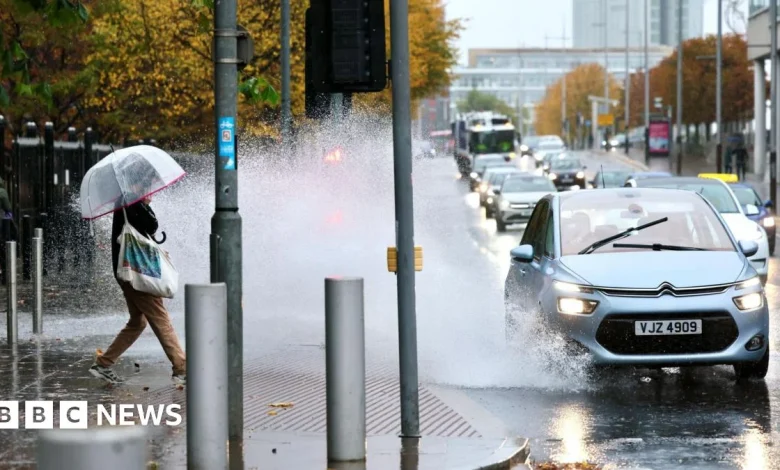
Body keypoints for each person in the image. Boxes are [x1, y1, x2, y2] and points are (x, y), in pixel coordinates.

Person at [89, 196, 186, 385]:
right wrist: (145, 204)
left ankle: (103, 363)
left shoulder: (126, 202)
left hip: (128, 272)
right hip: (139, 274)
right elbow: (151, 226)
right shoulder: (131, 202)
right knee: (160, 319)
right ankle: (181, 368)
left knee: (138, 321)